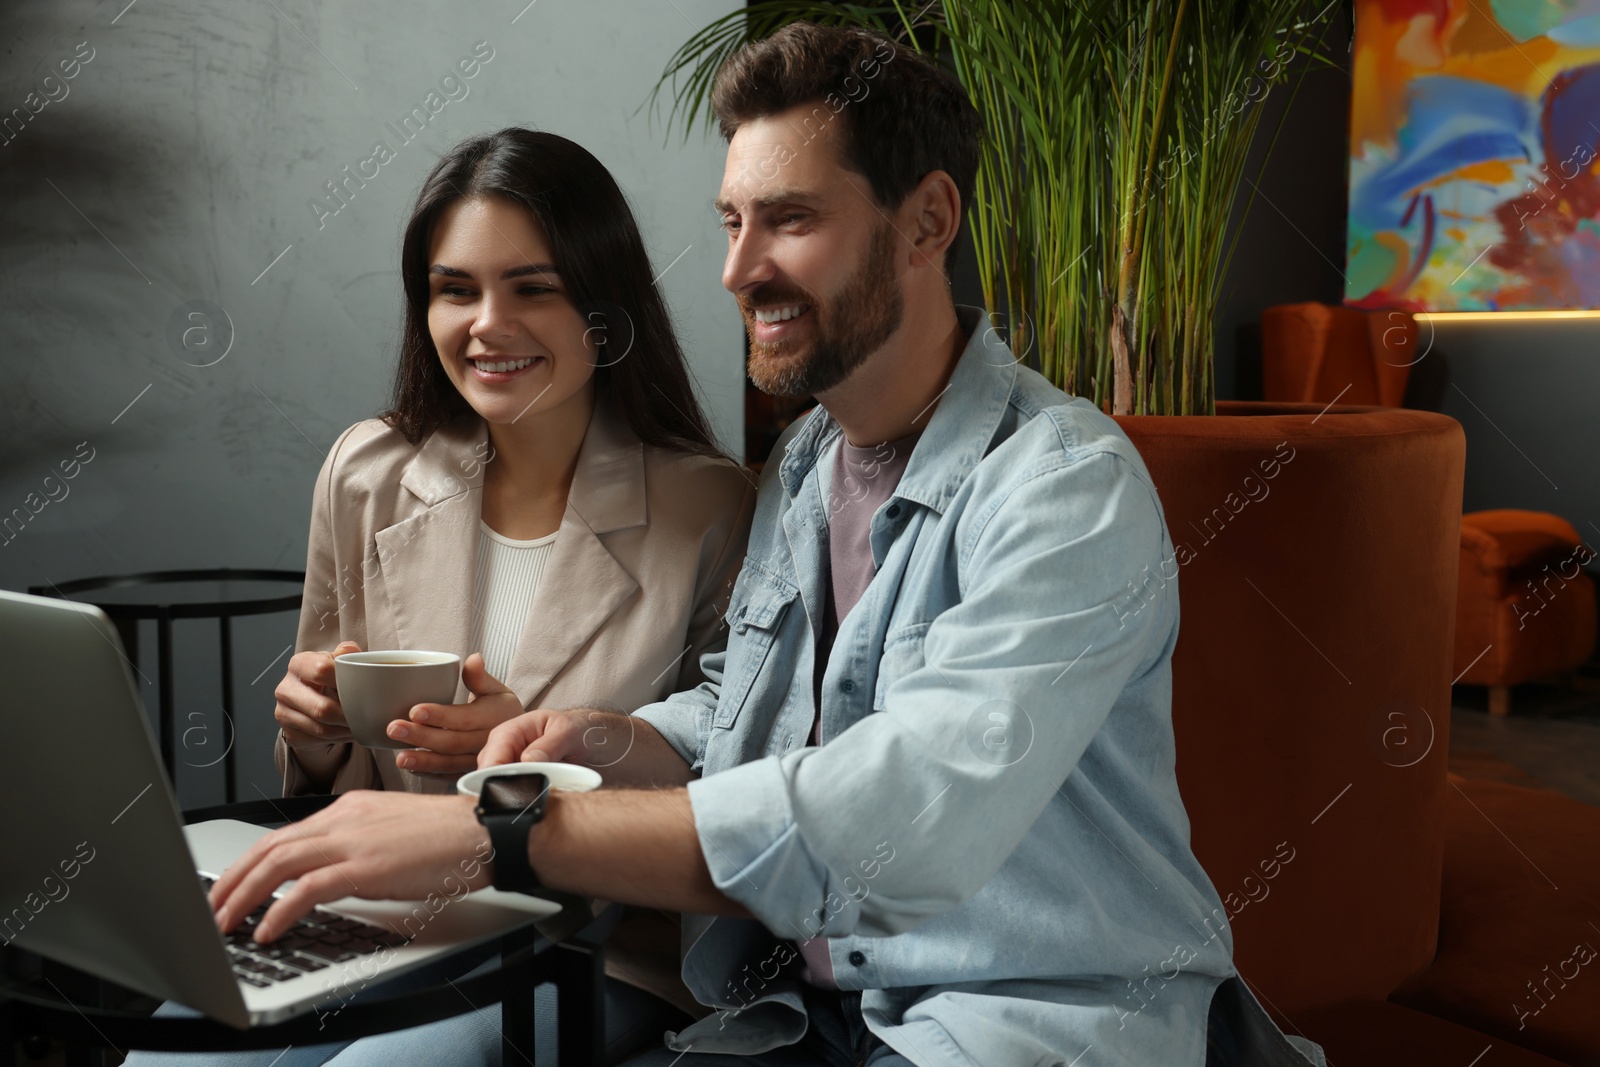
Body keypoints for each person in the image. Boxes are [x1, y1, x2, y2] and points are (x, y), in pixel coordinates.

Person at [206, 23, 1329, 1067]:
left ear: (928, 222)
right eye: (732, 223)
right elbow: (757, 709)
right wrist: (618, 735)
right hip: (799, 1010)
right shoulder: (801, 465)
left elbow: (898, 821)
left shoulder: (1062, 485)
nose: (741, 269)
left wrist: (503, 830)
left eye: (790, 219)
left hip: (1025, 1020)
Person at [128, 128, 755, 1066]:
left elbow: (734, 791)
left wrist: (535, 749)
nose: (486, 325)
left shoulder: (713, 507)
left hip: (600, 949)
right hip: (382, 911)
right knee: (167, 1055)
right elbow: (329, 779)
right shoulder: (367, 471)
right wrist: (311, 729)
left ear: (603, 304)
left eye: (532, 287)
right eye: (455, 289)